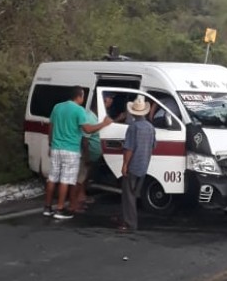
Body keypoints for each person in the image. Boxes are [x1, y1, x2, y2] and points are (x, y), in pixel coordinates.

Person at [44, 86, 111, 219]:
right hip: (71, 149)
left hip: (56, 148)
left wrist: (51, 144)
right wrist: (103, 124)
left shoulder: (57, 107)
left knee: (52, 178)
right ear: (79, 97)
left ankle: (47, 207)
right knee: (65, 180)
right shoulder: (79, 110)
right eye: (82, 97)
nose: (83, 99)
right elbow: (87, 130)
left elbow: (50, 126)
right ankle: (60, 209)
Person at [118, 95, 156, 232]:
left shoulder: (133, 127)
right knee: (133, 194)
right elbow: (153, 146)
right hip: (144, 165)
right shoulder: (151, 128)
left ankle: (130, 223)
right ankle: (126, 218)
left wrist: (124, 165)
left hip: (133, 165)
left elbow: (129, 148)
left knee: (128, 195)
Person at [69, 107, 101, 213]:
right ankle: (74, 204)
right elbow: (85, 139)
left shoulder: (93, 116)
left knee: (83, 177)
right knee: (79, 179)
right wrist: (87, 155)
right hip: (83, 154)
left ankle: (80, 198)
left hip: (85, 154)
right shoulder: (89, 117)